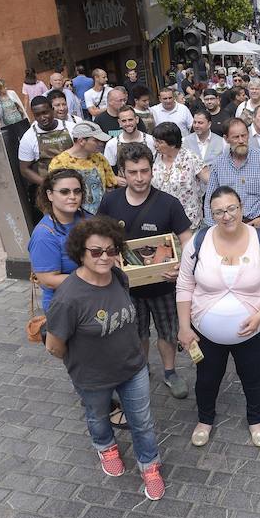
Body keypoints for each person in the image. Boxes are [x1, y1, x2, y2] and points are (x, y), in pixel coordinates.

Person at [44, 216, 165, 501]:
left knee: (143, 421)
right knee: (98, 416)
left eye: (111, 250)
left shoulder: (120, 277)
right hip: (92, 375)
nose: (104, 257)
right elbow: (53, 346)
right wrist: (80, 363)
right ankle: (105, 446)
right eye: (96, 251)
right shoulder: (69, 298)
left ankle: (150, 465)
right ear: (80, 253)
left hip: (132, 366)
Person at [176, 187, 260, 448]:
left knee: (252, 375)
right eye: (218, 212)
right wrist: (184, 327)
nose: (226, 216)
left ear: (241, 207)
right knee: (206, 377)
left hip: (254, 330)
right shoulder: (198, 241)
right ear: (210, 214)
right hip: (205, 331)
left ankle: (255, 420)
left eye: (231, 209)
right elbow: (184, 284)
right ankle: (204, 420)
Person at [98, 143, 194, 399]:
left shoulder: (168, 203)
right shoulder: (110, 201)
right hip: (126, 287)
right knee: (135, 332)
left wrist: (181, 267)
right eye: (132, 172)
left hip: (163, 284)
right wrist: (110, 256)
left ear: (152, 170)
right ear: (122, 172)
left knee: (168, 330)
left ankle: (170, 372)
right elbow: (99, 237)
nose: (139, 178)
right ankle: (141, 369)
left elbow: (187, 239)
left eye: (144, 171)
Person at [202, 118, 260, 228]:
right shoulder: (218, 164)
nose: (241, 140)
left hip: (257, 223)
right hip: (227, 224)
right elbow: (210, 199)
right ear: (226, 139)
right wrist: (213, 227)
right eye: (236, 137)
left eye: (244, 135)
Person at [28, 169, 88, 312]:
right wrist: (93, 277)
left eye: (77, 191)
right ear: (50, 195)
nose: (72, 197)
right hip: (65, 307)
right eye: (64, 192)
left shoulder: (86, 218)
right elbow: (48, 281)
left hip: (91, 300)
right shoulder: (44, 235)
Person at [49, 121, 120, 214]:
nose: (101, 143)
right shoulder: (59, 163)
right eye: (96, 140)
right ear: (81, 141)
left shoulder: (100, 158)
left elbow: (110, 186)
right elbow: (56, 195)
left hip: (102, 215)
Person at [151, 122, 210, 230]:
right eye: (155, 140)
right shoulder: (154, 158)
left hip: (188, 220)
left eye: (159, 142)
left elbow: (211, 181)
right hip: (162, 219)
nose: (155, 145)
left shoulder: (191, 158)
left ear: (172, 144)